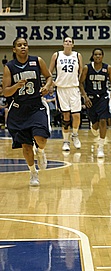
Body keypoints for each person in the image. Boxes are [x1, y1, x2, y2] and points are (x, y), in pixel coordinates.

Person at [2, 37, 52, 186]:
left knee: (40, 139)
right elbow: (5, 92)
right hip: (19, 109)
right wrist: (16, 86)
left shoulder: (37, 61)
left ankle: (41, 152)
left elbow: (49, 77)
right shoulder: (9, 67)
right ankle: (33, 173)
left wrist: (47, 86)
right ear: (14, 49)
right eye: (19, 45)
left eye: (25, 45)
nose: (23, 47)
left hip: (36, 106)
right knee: (26, 146)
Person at [49, 37, 83, 153]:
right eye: (66, 41)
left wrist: (82, 88)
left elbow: (81, 72)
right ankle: (65, 141)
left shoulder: (77, 55)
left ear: (73, 44)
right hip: (61, 89)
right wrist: (50, 85)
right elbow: (50, 72)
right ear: (63, 44)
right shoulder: (57, 55)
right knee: (66, 116)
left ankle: (75, 135)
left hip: (74, 88)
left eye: (70, 42)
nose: (68, 43)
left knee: (77, 115)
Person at [79, 48, 111, 158]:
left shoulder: (107, 68)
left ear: (102, 56)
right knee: (95, 124)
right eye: (96, 54)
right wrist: (85, 96)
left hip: (103, 97)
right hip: (91, 98)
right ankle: (93, 126)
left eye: (100, 54)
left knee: (103, 120)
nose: (98, 56)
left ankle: (100, 147)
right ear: (93, 56)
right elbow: (80, 83)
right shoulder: (87, 68)